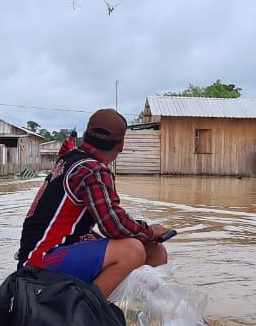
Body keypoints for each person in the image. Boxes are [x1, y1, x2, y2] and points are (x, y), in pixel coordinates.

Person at [18, 109, 169, 296]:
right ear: (120, 146)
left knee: (155, 250)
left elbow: (109, 222)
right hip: (39, 264)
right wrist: (151, 230)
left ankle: (139, 309)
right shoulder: (93, 170)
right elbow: (114, 226)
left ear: (86, 136)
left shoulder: (70, 160)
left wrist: (148, 236)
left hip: (48, 255)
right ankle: (85, 311)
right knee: (132, 251)